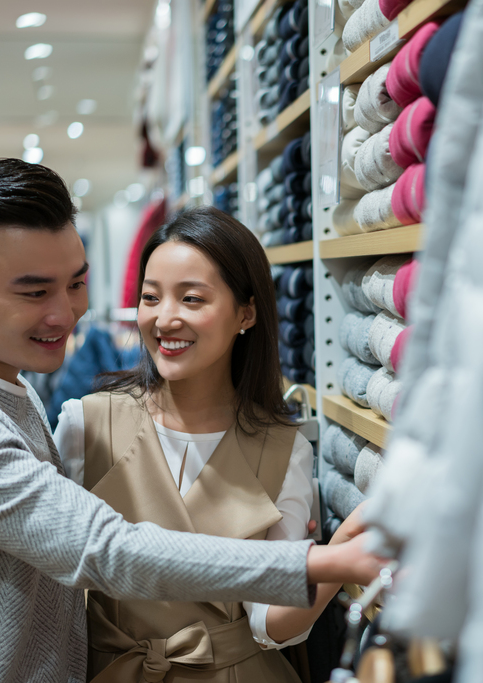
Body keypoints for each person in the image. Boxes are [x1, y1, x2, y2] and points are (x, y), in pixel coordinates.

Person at [0, 158, 385, 683]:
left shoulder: (8, 384)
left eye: (75, 283)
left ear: (245, 313)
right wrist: (326, 564)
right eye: (34, 292)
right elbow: (107, 549)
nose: (65, 314)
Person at [53, 206, 360, 682]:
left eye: (192, 299)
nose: (165, 318)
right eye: (150, 298)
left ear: (246, 313)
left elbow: (270, 623)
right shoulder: (86, 425)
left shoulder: (283, 448)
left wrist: (339, 556)